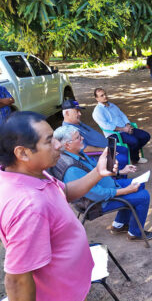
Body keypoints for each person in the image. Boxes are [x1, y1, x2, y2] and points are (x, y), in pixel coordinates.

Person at [0, 111, 118, 301]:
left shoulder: (31, 174)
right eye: (49, 141)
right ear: (22, 153)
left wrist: (98, 172)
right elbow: (17, 280)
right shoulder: (29, 207)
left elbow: (64, 192)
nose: (59, 145)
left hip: (69, 286)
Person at [52, 125, 152, 240]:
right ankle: (135, 233)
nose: (82, 138)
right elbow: (96, 194)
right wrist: (125, 191)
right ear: (67, 145)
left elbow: (97, 171)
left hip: (108, 187)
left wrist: (120, 171)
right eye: (78, 137)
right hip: (97, 203)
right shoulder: (72, 169)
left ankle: (119, 224)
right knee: (143, 196)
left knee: (139, 184)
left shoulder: (77, 153)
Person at [62, 99, 129, 169]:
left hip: (106, 147)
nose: (80, 114)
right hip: (99, 154)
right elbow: (84, 149)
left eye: (79, 111)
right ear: (67, 113)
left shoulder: (76, 122)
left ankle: (121, 174)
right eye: (77, 111)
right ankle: (117, 177)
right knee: (122, 158)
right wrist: (105, 150)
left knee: (124, 149)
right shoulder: (69, 130)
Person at [92, 88, 150, 164]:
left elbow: (122, 115)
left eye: (105, 94)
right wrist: (123, 129)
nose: (105, 96)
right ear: (97, 98)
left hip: (125, 128)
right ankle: (135, 159)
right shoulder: (98, 111)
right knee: (134, 141)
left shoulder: (112, 105)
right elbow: (106, 126)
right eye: (101, 95)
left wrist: (128, 125)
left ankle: (132, 152)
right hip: (114, 134)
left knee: (146, 136)